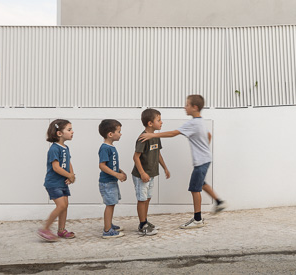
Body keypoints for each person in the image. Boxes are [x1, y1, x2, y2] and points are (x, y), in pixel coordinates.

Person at [141, 94, 226, 228]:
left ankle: (197, 219)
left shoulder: (193, 123)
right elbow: (208, 135)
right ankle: (219, 202)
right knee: (201, 183)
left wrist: (152, 134)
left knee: (194, 188)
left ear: (194, 107)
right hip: (205, 159)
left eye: (187, 105)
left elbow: (174, 133)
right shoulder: (200, 121)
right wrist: (204, 148)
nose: (184, 107)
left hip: (201, 161)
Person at [132, 108, 170, 236]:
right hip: (141, 176)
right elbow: (135, 157)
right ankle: (142, 225)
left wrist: (165, 168)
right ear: (150, 123)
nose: (161, 122)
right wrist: (142, 173)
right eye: (159, 120)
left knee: (147, 198)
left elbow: (158, 154)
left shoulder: (156, 137)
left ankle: (145, 221)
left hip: (151, 174)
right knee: (142, 199)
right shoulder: (143, 138)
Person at [39, 119, 76, 242]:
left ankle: (61, 230)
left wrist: (71, 175)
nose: (72, 132)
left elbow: (68, 162)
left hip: (62, 183)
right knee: (61, 205)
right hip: (53, 183)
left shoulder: (66, 148)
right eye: (69, 130)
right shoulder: (54, 149)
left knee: (65, 206)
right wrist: (69, 175)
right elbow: (56, 167)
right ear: (59, 133)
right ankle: (45, 229)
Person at [97, 119, 127, 238]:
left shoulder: (111, 147)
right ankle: (107, 230)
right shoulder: (105, 148)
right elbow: (102, 165)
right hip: (107, 182)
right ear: (110, 134)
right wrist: (116, 175)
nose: (120, 134)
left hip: (112, 181)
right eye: (119, 131)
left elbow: (112, 164)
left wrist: (120, 171)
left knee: (112, 203)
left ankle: (109, 224)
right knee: (110, 204)